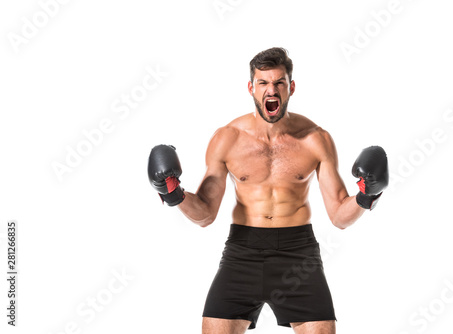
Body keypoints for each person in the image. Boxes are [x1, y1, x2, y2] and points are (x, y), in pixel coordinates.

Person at [147, 47, 389, 334]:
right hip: (243, 251)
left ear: (291, 87)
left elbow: (339, 216)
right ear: (251, 87)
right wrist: (172, 192)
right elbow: (205, 215)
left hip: (298, 254)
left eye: (279, 83)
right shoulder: (227, 138)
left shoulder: (316, 139)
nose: (270, 89)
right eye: (263, 83)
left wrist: (366, 195)